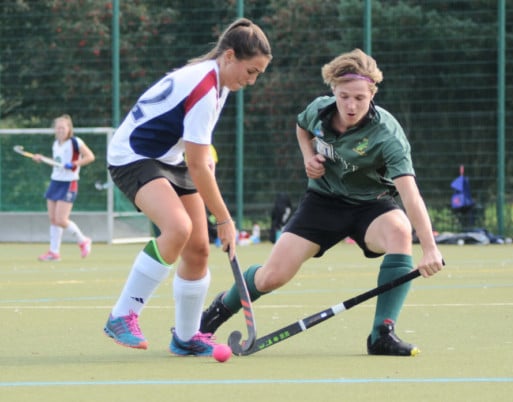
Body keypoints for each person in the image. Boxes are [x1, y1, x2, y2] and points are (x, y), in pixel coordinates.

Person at [200, 49, 444, 356]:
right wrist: (308, 157)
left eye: (359, 97)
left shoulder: (387, 135)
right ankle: (216, 312)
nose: (351, 106)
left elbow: (410, 193)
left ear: (372, 94)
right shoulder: (318, 110)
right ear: (333, 91)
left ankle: (382, 333)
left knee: (399, 230)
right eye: (344, 97)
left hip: (372, 205)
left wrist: (429, 247)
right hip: (323, 202)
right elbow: (302, 127)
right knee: (272, 277)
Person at [104, 18, 272, 356]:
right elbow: (196, 166)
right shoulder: (205, 87)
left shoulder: (221, 83)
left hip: (170, 158)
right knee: (178, 228)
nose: (252, 80)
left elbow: (198, 152)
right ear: (229, 56)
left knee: (198, 248)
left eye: (258, 74)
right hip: (134, 156)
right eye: (251, 71)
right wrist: (224, 219)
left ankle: (186, 337)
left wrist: (205, 160)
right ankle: (122, 315)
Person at [34, 114, 95, 261]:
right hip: (55, 182)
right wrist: (42, 159)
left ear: (69, 129)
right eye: (58, 128)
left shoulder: (75, 142)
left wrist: (74, 164)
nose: (60, 130)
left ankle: (83, 240)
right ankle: (54, 252)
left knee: (61, 219)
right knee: (53, 219)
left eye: (63, 128)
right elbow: (57, 163)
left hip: (69, 182)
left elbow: (90, 157)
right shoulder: (56, 144)